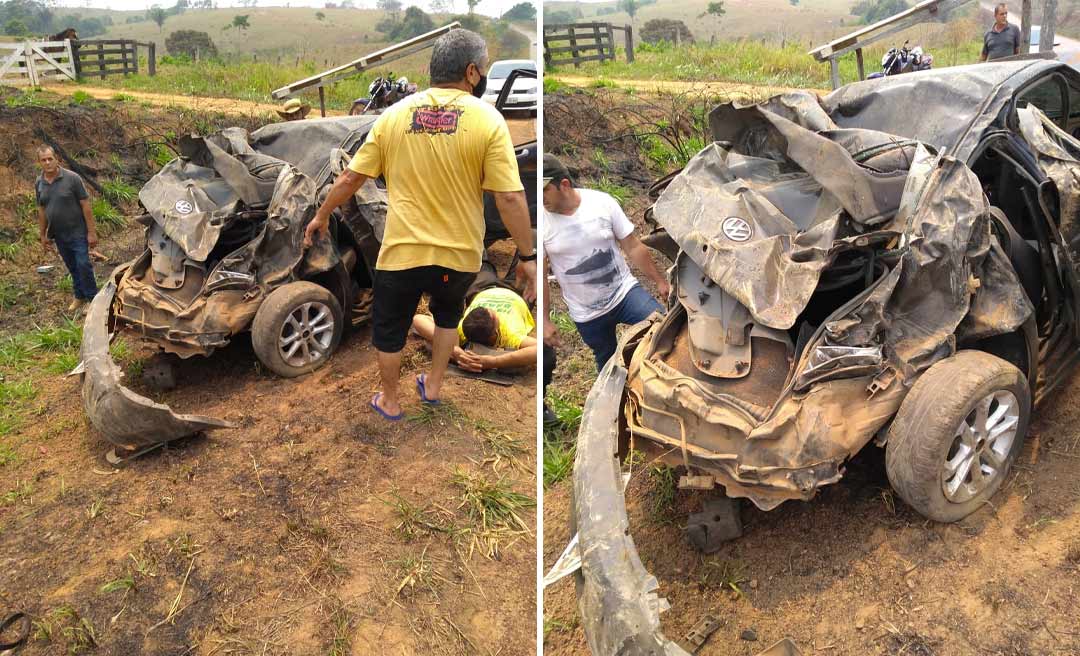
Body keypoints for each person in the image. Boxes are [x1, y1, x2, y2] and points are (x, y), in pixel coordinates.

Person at [304, 28, 536, 421]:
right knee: (447, 317)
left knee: (390, 328)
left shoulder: (393, 116)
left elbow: (350, 179)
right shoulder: (488, 120)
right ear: (472, 73)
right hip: (459, 255)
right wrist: (527, 255)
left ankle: (391, 401)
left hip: (402, 254)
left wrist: (322, 215)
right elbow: (510, 197)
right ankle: (432, 386)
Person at [541, 154, 670, 373]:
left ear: (563, 184)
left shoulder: (601, 203)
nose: (540, 197)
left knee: (664, 330)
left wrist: (660, 281)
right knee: (609, 366)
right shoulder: (542, 222)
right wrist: (544, 321)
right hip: (587, 313)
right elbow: (540, 276)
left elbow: (632, 246)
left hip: (625, 294)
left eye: (544, 190)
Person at [411, 265, 537, 374]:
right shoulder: (508, 335)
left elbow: (418, 319)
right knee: (528, 254)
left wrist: (453, 349)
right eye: (493, 314)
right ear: (496, 332)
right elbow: (539, 349)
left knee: (479, 257)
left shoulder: (462, 330)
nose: (491, 309)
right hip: (516, 293)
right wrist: (494, 362)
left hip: (482, 288)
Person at [35, 145, 99, 315]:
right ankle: (79, 296)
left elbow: (85, 205)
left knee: (83, 264)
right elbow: (41, 210)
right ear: (39, 162)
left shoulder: (72, 178)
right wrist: (43, 234)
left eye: (50, 158)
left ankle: (93, 298)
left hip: (77, 231)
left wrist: (91, 232)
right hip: (59, 234)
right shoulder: (39, 183)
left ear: (57, 159)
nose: (48, 162)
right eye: (44, 160)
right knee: (72, 266)